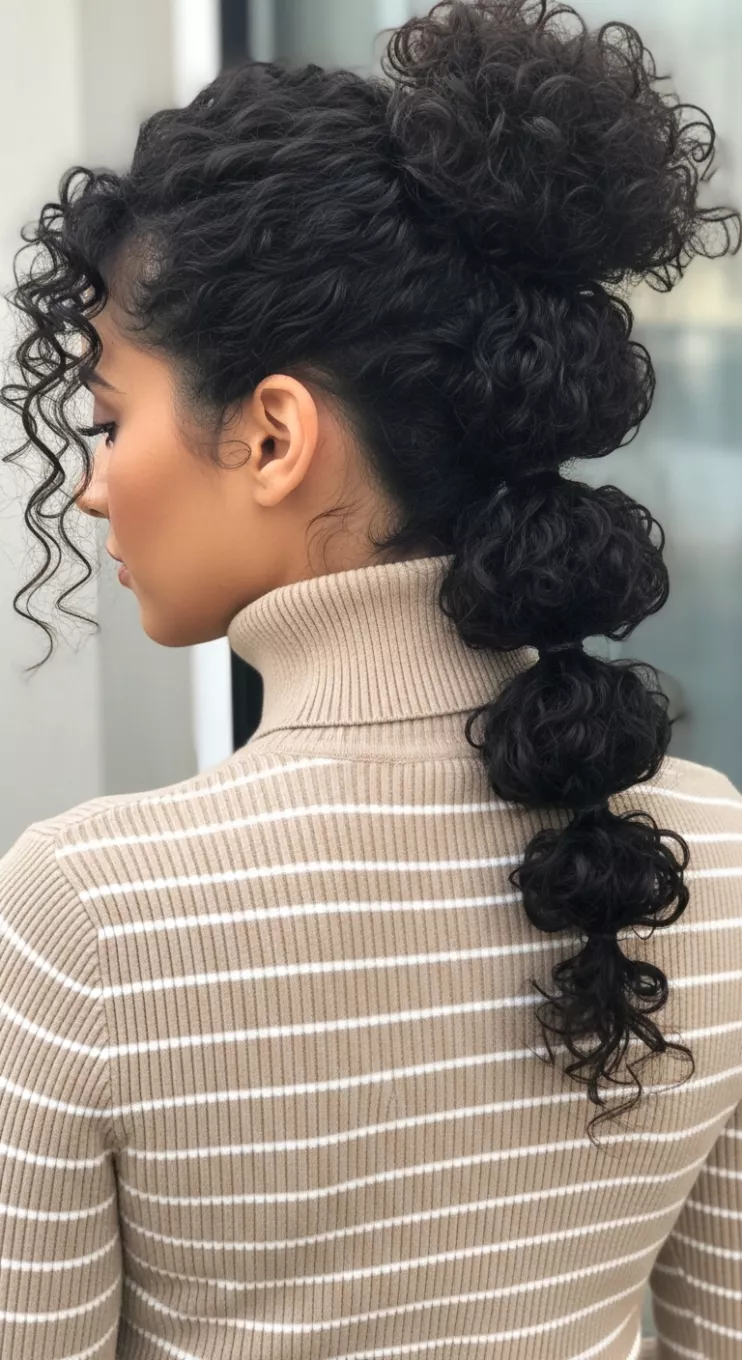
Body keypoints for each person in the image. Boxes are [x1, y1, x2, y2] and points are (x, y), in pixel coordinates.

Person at [0, 1, 740, 1356]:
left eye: (108, 419)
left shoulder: (92, 916)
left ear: (274, 434)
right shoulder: (719, 856)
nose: (93, 488)